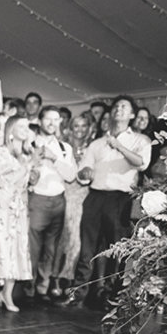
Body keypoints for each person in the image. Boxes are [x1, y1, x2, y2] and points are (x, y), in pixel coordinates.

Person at [69, 96, 151, 309]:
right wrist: (85, 173)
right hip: (95, 196)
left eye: (124, 107)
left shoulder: (141, 140)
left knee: (118, 249)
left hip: (120, 198)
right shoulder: (97, 143)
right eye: (116, 106)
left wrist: (120, 147)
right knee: (87, 247)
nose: (119, 110)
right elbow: (83, 173)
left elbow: (142, 164)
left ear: (132, 114)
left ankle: (114, 295)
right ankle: (80, 293)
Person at [0, 115, 37, 315]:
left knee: (15, 251)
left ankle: (6, 294)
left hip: (18, 208)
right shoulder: (1, 152)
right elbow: (6, 180)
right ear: (10, 129)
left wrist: (33, 174)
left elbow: (26, 183)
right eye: (20, 125)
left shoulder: (27, 154)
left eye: (27, 126)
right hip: (2, 206)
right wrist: (27, 167)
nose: (24, 129)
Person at [26, 106, 77, 301]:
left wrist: (54, 158)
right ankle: (28, 287)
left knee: (51, 247)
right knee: (33, 246)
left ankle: (43, 287)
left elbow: (71, 176)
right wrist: (35, 159)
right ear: (40, 121)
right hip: (37, 199)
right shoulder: (30, 144)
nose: (52, 123)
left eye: (56, 120)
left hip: (58, 200)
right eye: (48, 119)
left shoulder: (65, 148)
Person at [52, 114, 92, 295]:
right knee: (61, 237)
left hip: (82, 197)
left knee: (76, 239)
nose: (80, 130)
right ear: (70, 128)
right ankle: (52, 278)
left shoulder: (92, 148)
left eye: (84, 126)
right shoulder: (62, 147)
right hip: (63, 193)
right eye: (76, 126)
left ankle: (68, 277)